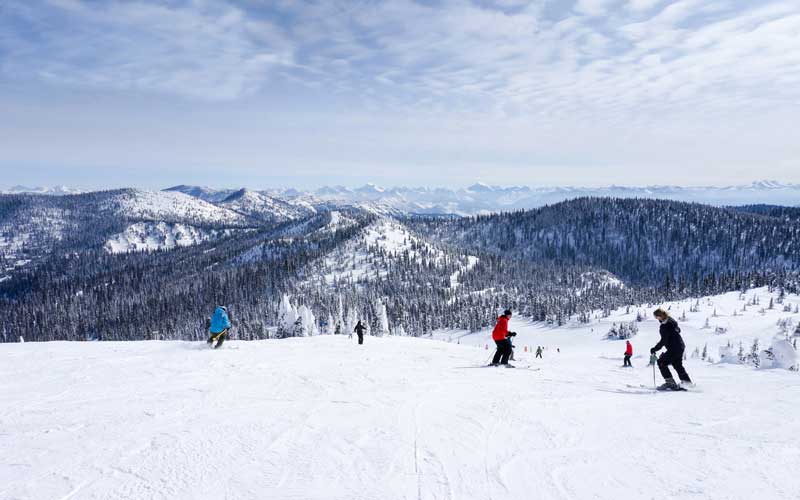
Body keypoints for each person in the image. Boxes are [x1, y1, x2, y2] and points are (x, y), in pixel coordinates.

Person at [650, 308, 692, 390]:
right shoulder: (671, 321)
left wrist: (655, 349)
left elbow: (664, 340)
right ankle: (687, 383)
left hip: (674, 348)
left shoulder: (664, 326)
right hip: (680, 346)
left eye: (656, 317)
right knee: (677, 364)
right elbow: (678, 330)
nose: (656, 319)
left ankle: (670, 383)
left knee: (661, 362)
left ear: (659, 316)